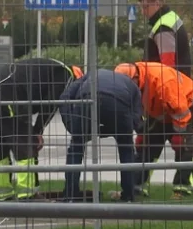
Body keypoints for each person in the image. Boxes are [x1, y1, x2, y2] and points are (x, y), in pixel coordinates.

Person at [0, 57, 83, 201]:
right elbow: (50, 105)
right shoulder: (66, 75)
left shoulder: (48, 66)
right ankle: (28, 194)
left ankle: (3, 194)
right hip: (7, 92)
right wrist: (37, 131)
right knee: (25, 145)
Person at [114, 61, 193, 197]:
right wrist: (142, 130)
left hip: (186, 105)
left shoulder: (162, 81)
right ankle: (137, 186)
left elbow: (180, 110)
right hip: (160, 110)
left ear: (136, 77)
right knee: (146, 145)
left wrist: (179, 133)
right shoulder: (133, 80)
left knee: (183, 145)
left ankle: (182, 188)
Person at [135, 0, 193, 193]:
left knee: (163, 139)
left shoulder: (163, 28)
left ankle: (141, 184)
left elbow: (166, 65)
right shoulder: (168, 20)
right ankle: (191, 183)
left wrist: (158, 94)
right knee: (178, 139)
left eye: (145, 6)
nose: (143, 11)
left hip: (168, 94)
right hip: (177, 91)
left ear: (157, 3)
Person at [58, 69, 144, 202]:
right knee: (126, 149)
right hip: (118, 104)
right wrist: (125, 129)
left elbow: (64, 97)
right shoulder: (131, 85)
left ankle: (70, 194)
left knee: (76, 147)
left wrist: (72, 125)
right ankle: (128, 195)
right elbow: (137, 115)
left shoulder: (90, 75)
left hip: (87, 99)